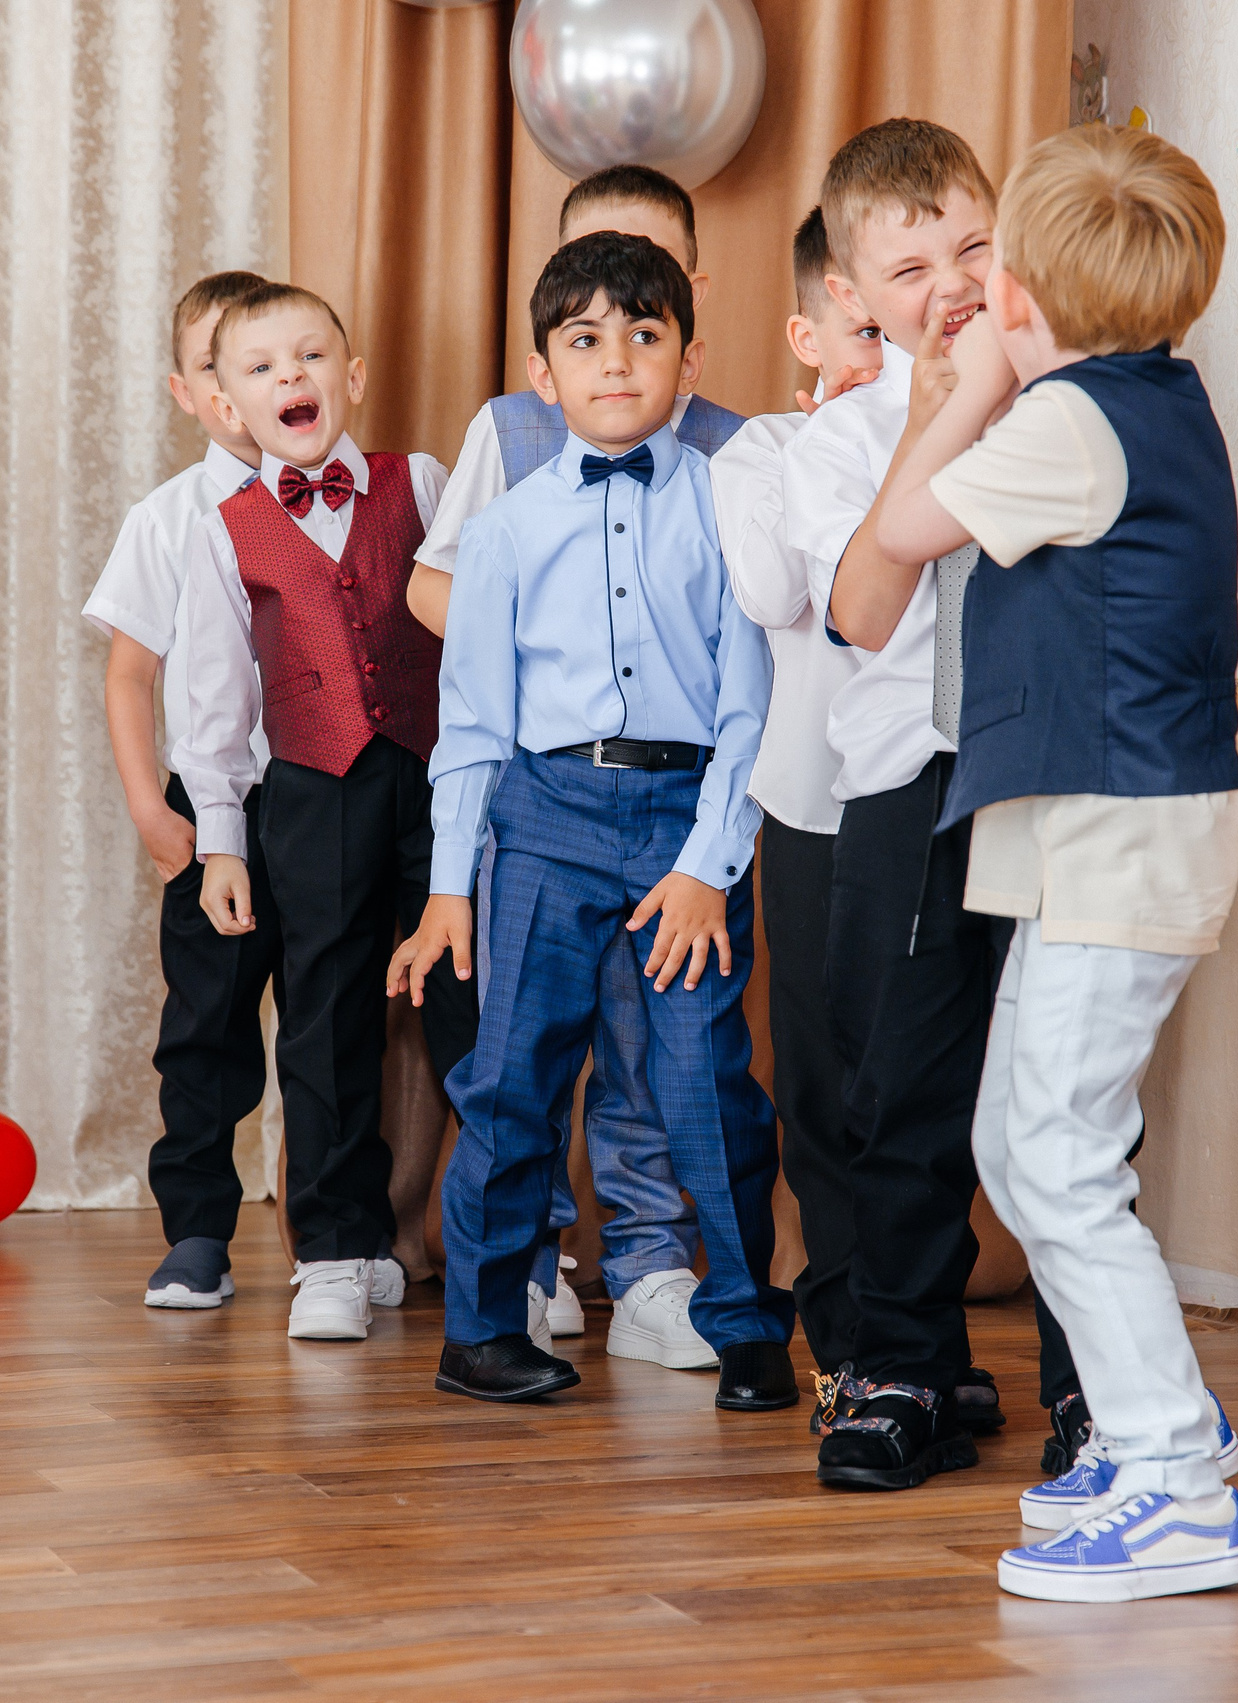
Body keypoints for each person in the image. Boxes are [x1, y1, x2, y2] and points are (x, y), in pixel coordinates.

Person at [868, 122, 1238, 1602]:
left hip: (1119, 831)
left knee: (1065, 1162)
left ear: (1021, 286)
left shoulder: (1069, 422)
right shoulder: (1146, 395)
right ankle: (1168, 1428)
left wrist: (971, 376)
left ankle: (1172, 1474)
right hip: (1083, 835)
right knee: (1015, 1149)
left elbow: (904, 528)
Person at [391, 232, 793, 1412]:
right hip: (545, 816)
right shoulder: (507, 528)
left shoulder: (728, 506)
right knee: (510, 1076)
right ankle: (480, 1327)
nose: (615, 360)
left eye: (643, 334)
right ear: (541, 373)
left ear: (688, 355)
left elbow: (748, 705)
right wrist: (451, 883)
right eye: (585, 339)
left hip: (684, 826)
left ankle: (746, 1323)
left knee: (704, 1078)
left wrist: (712, 865)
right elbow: (470, 720)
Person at [781, 116, 1019, 1490]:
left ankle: (1098, 1386)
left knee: (1055, 1089)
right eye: (911, 262)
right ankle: (907, 1366)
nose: (951, 284)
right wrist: (934, 416)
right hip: (903, 785)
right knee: (899, 1091)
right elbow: (866, 613)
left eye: (973, 247)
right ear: (851, 299)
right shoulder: (828, 447)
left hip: (1040, 769)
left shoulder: (1067, 398)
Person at [177, 280, 479, 1344]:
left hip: (441, 778)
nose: (289, 379)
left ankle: (510, 1244)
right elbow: (211, 692)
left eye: (310, 358)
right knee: (326, 1017)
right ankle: (338, 1251)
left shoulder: (426, 479)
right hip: (310, 788)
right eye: (259, 368)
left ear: (350, 378)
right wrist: (221, 839)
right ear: (226, 406)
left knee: (470, 1004)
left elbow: (477, 627)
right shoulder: (222, 529)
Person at [81, 270, 279, 1313]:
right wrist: (152, 813)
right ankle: (198, 1228)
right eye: (215, 363)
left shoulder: (357, 494)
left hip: (325, 799)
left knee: (337, 1025)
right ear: (187, 387)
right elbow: (129, 673)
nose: (236, 383)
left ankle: (340, 1235)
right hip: (211, 808)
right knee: (206, 1025)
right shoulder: (166, 518)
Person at [713, 209, 881, 1430]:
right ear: (807, 329)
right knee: (819, 1076)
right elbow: (778, 591)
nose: (885, 351)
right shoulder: (762, 451)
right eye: (863, 328)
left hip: (927, 793)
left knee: (915, 1074)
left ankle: (914, 1326)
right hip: (813, 797)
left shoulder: (949, 435)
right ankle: (848, 1335)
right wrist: (851, 439)